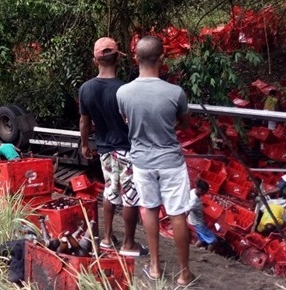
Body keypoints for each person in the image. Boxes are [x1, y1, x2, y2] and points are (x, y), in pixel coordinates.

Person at [117, 35, 195, 286]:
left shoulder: (123, 92)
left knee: (148, 208)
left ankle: (154, 267)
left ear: (136, 58)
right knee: (178, 214)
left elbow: (126, 119)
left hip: (142, 161)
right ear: (162, 58)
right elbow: (184, 124)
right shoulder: (175, 92)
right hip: (171, 160)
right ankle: (184, 273)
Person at [79, 37, 148, 257]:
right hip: (127, 148)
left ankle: (107, 239)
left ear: (95, 60)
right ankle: (128, 244)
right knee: (130, 195)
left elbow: (85, 122)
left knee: (110, 189)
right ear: (117, 58)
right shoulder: (126, 90)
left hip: (104, 148)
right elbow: (133, 121)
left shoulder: (86, 89)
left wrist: (84, 144)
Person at [187, 179, 217, 251]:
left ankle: (192, 251)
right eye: (205, 191)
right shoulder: (194, 202)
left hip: (193, 221)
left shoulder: (193, 191)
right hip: (198, 223)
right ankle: (207, 256)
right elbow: (187, 210)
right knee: (213, 240)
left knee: (201, 239)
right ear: (200, 190)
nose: (205, 193)